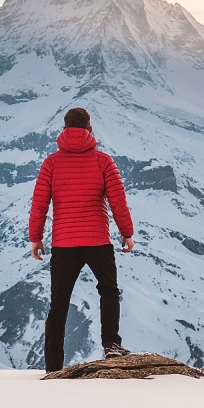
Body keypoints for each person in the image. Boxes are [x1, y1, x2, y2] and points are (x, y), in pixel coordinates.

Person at [29, 107, 135, 372]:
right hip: (97, 240)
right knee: (108, 291)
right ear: (89, 129)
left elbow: (39, 203)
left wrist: (36, 237)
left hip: (64, 243)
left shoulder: (51, 163)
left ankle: (53, 366)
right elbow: (118, 201)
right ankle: (111, 344)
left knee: (59, 303)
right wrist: (127, 233)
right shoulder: (103, 161)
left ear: (64, 129)